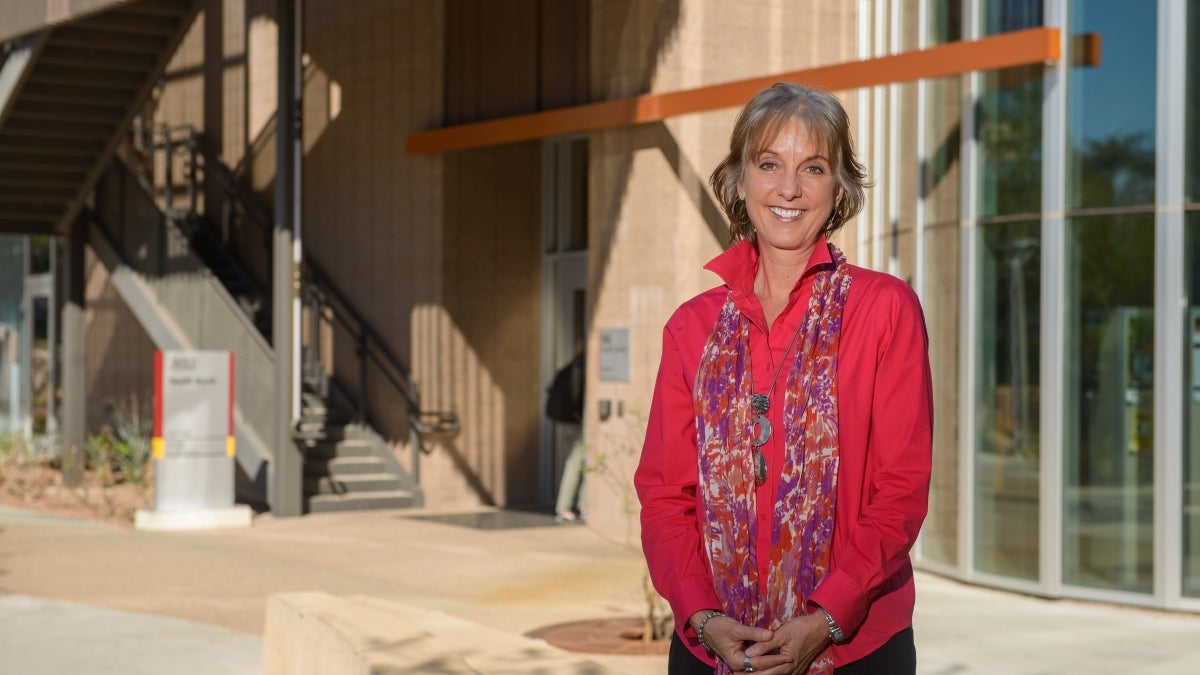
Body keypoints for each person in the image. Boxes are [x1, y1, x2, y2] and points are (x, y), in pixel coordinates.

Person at [634, 82, 932, 675]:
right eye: (769, 164)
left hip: (855, 647)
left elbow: (900, 489)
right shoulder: (689, 327)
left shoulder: (885, 309)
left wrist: (827, 616)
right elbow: (666, 496)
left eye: (813, 168)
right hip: (710, 644)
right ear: (740, 180)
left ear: (840, 187)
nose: (789, 189)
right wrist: (701, 615)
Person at [546, 349, 587, 522]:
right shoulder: (580, 369)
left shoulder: (569, 368)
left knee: (582, 461)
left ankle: (583, 504)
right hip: (576, 422)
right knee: (576, 462)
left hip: (567, 421)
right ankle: (564, 507)